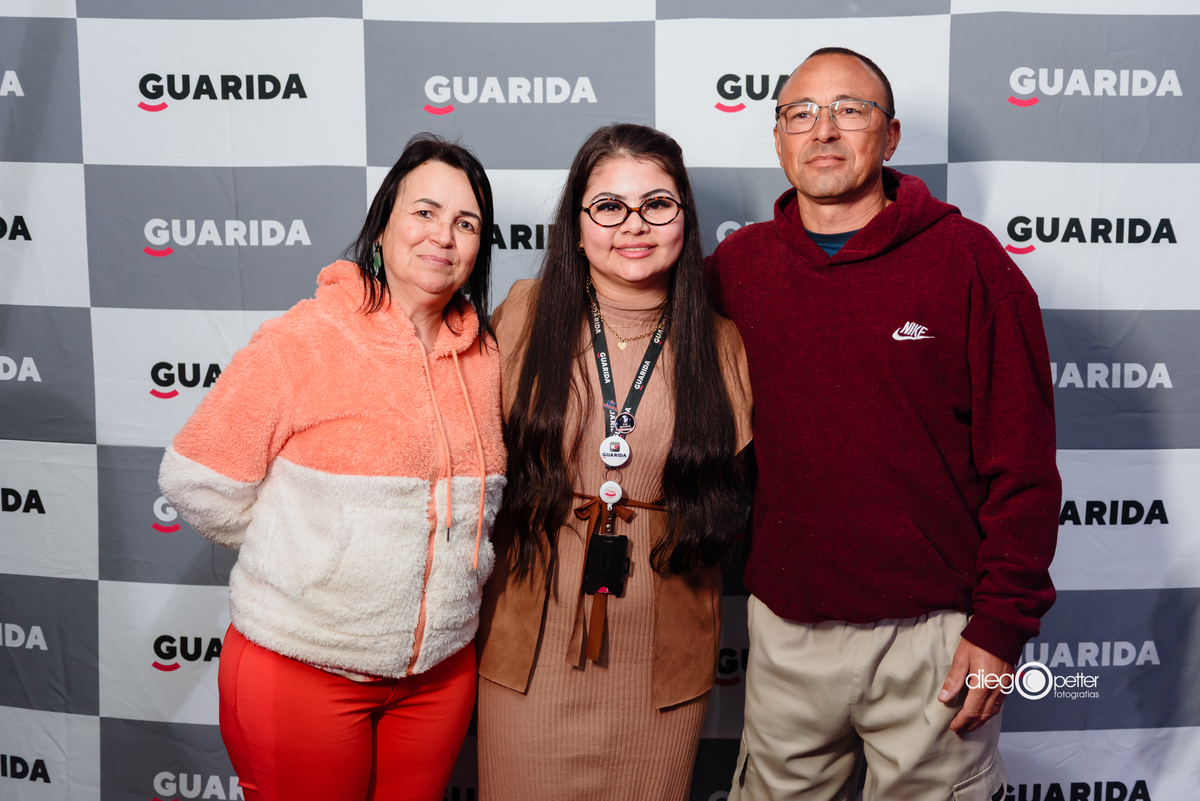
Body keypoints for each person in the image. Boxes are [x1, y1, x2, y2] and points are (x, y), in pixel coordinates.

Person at [707, 48, 1061, 800]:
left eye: (850, 110)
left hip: (935, 636)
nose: (824, 130)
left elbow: (1025, 464)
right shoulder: (737, 268)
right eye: (801, 113)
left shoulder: (968, 262)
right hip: (787, 630)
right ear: (779, 138)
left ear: (891, 135)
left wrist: (1000, 627)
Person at [157, 134, 506, 801]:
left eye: (466, 223)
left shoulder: (486, 358)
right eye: (425, 212)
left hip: (438, 676)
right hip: (303, 666)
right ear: (383, 225)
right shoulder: (305, 338)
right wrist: (309, 549)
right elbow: (196, 479)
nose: (444, 235)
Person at [475, 123, 755, 800]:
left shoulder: (722, 343)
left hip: (663, 658)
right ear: (576, 225)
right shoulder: (524, 314)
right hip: (527, 642)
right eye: (608, 206)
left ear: (685, 219)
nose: (634, 224)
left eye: (657, 204)